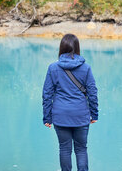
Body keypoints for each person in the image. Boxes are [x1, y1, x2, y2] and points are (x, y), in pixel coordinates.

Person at [43, 34, 98, 171]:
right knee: (81, 149)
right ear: (77, 48)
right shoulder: (86, 68)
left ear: (61, 48)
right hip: (81, 115)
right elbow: (92, 92)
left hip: (60, 115)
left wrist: (47, 117)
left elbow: (47, 94)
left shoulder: (53, 68)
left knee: (65, 149)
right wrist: (94, 114)